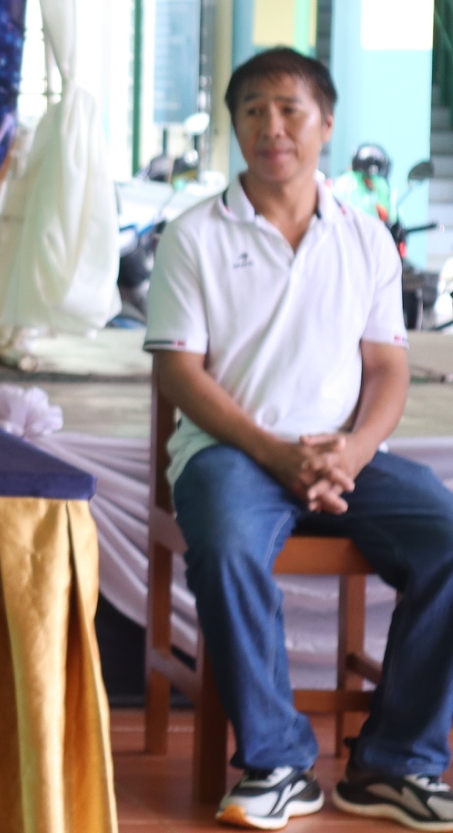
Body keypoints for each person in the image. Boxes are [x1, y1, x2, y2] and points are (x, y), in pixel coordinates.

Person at [148, 47, 453, 830]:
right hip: (228, 454)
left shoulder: (366, 236)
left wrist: (352, 450)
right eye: (253, 110)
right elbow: (179, 372)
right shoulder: (193, 233)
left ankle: (394, 764)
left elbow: (386, 369)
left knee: (448, 536)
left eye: (289, 109)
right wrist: (274, 452)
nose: (271, 126)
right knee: (227, 542)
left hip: (346, 456)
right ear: (235, 126)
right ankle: (279, 763)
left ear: (326, 123)